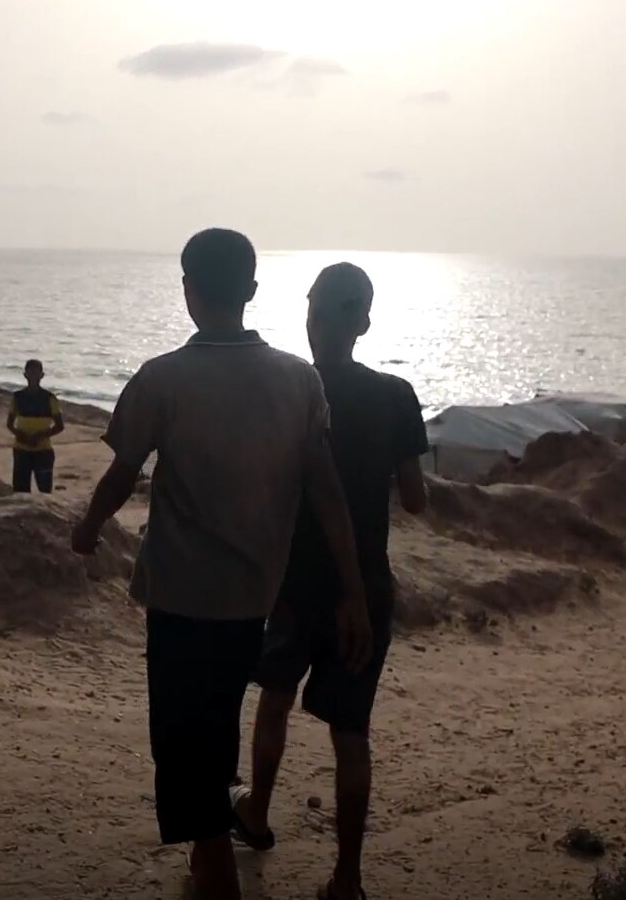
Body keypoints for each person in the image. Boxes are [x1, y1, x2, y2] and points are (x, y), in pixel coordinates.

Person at [71, 229, 373, 900]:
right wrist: (352, 590)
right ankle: (212, 841)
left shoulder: (161, 378)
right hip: (251, 602)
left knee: (182, 743)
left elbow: (124, 472)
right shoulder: (299, 380)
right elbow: (325, 492)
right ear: (253, 291)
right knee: (213, 724)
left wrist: (88, 527)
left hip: (180, 599)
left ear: (187, 290)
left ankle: (215, 869)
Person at [228, 263, 430, 900]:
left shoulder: (287, 389)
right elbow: (419, 500)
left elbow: (262, 487)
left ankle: (257, 810)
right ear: (364, 321)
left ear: (310, 315)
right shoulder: (396, 395)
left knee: (275, 697)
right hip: (366, 587)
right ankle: (346, 877)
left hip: (294, 583)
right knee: (351, 734)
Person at [6, 359, 65, 493]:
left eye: (36, 372)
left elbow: (60, 426)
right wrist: (20, 435)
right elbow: (9, 424)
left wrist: (40, 436)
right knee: (20, 492)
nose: (33, 376)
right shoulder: (18, 397)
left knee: (45, 492)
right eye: (30, 372)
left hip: (43, 450)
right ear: (25, 375)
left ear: (42, 375)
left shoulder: (50, 398)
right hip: (21, 449)